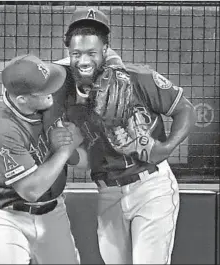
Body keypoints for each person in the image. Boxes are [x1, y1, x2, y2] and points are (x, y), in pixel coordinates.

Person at [57, 7, 197, 264]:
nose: (84, 60)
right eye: (76, 53)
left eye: (92, 52)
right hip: (107, 192)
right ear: (68, 53)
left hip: (151, 186)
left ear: (105, 49)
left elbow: (185, 109)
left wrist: (166, 148)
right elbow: (31, 76)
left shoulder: (138, 78)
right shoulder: (63, 89)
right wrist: (66, 152)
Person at [0, 54, 83, 264]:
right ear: (23, 99)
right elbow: (30, 190)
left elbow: (79, 60)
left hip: (53, 212)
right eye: (46, 89)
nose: (54, 90)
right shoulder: (1, 127)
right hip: (7, 218)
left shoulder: (40, 90)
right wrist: (64, 150)